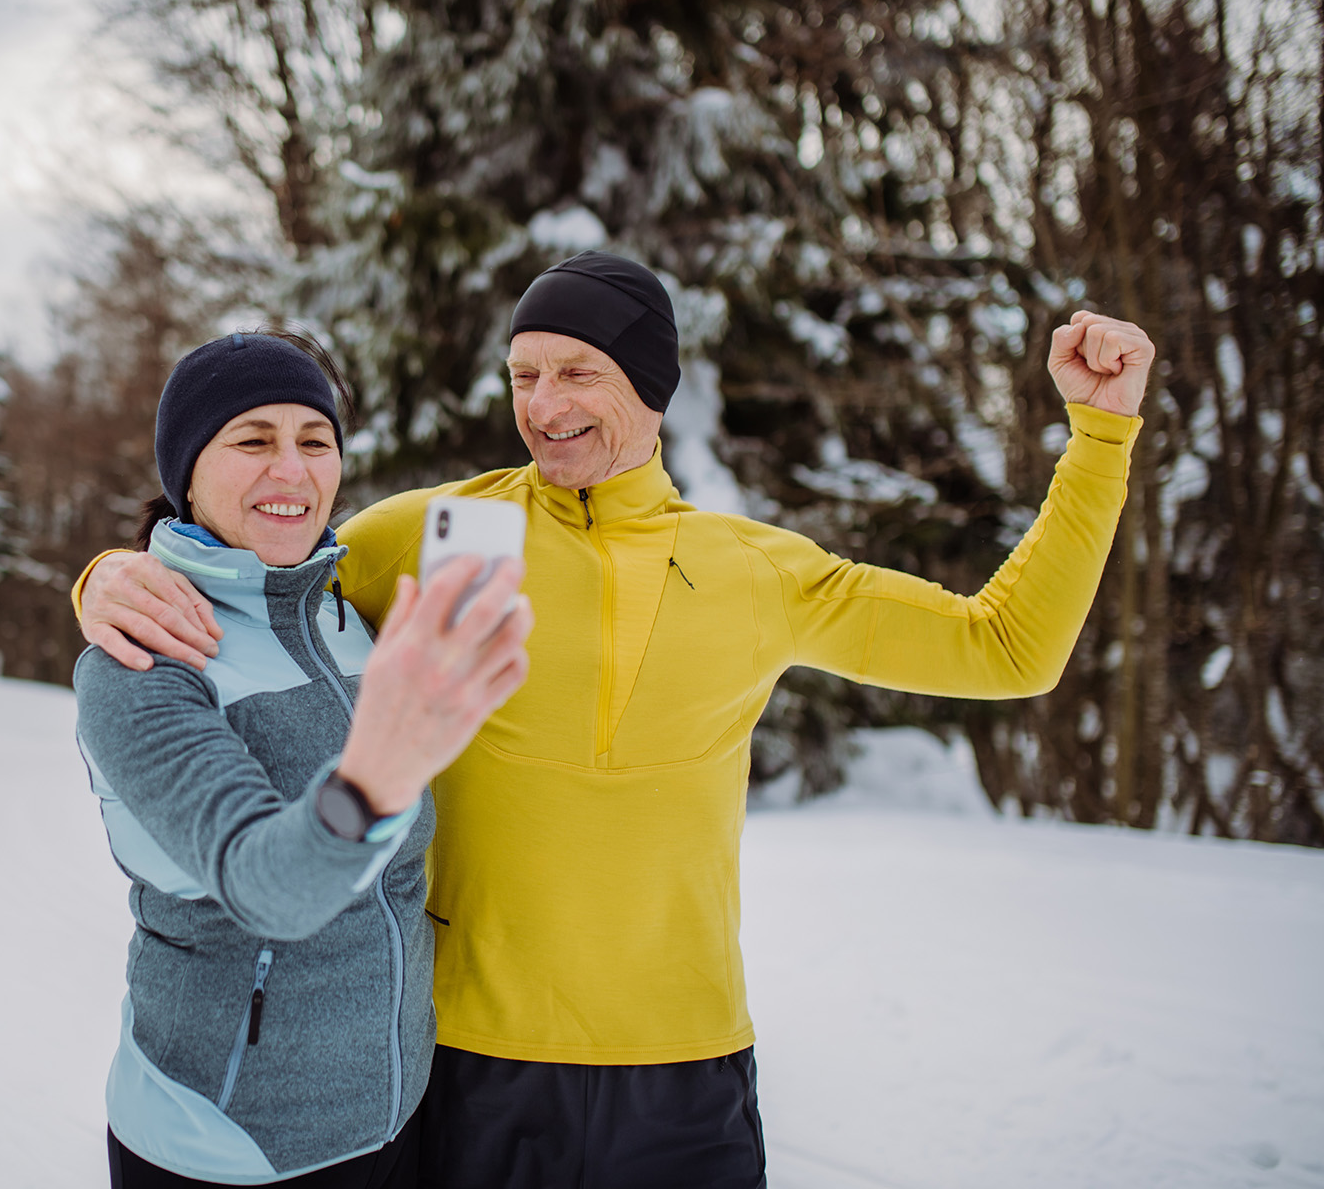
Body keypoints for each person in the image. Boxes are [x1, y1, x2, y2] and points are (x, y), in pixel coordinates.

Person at [78, 254, 1155, 1188]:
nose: (544, 403)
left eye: (577, 371)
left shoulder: (756, 570)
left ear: (650, 385)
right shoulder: (439, 533)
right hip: (469, 1071)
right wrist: (108, 573)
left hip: (683, 1070)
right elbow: (251, 560)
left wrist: (1099, 438)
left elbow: (1009, 647)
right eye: (523, 376)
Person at [74, 331, 535, 1187]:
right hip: (228, 1148)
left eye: (313, 441)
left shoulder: (346, 619)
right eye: (252, 440)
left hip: (395, 1124)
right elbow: (268, 889)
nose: (290, 470)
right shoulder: (139, 662)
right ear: (187, 468)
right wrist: (383, 765)